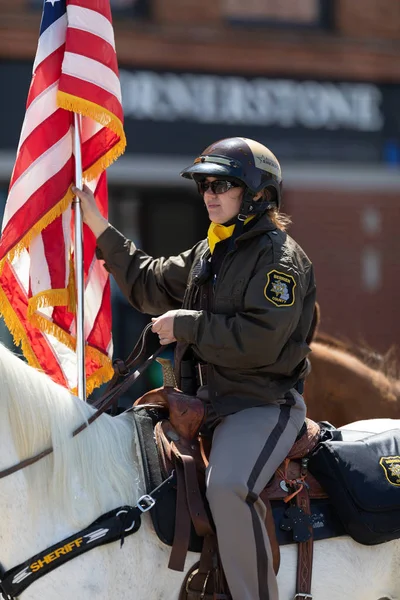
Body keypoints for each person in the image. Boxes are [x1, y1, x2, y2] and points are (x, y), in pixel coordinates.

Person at [74, 136, 316, 600]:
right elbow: (147, 283)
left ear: (257, 194)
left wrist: (184, 324)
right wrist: (97, 223)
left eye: (222, 184)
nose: (209, 194)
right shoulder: (210, 251)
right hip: (206, 403)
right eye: (204, 184)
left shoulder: (280, 259)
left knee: (226, 487)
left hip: (261, 404)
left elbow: (261, 341)